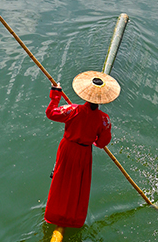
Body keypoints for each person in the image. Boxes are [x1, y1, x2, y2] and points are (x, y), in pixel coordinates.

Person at [44, 70, 121, 228]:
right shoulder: (104, 119)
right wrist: (92, 140)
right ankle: (73, 218)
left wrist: (56, 94)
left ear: (85, 94)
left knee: (61, 180)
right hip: (84, 152)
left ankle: (54, 215)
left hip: (67, 149)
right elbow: (102, 142)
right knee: (78, 185)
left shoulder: (73, 110)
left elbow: (51, 113)